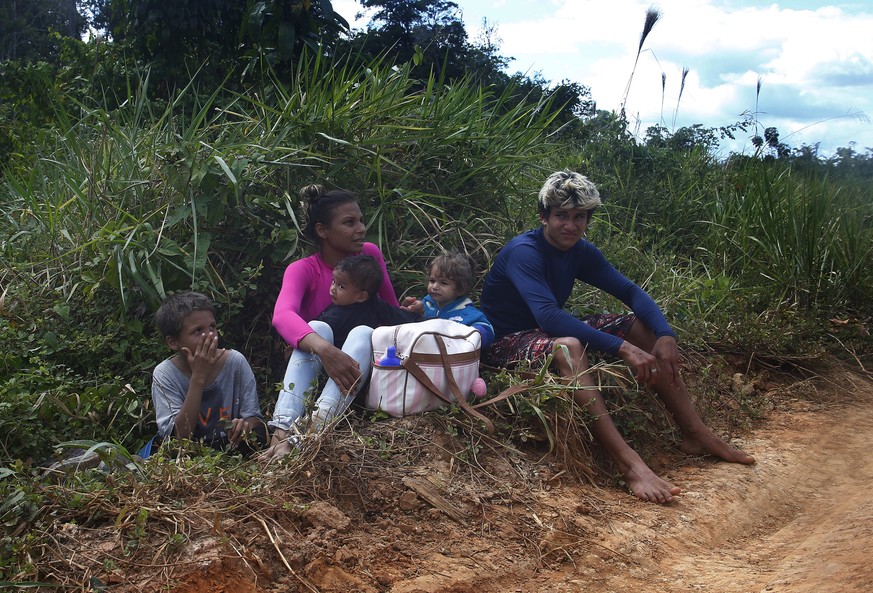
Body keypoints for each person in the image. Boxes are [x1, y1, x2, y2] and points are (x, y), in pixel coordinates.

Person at [479, 170, 755, 504]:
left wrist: (664, 335)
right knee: (569, 347)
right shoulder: (525, 251)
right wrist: (621, 348)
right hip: (504, 341)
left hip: (541, 333)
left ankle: (694, 432)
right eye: (561, 216)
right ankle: (630, 465)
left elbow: (628, 290)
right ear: (544, 217)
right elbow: (549, 317)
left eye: (579, 217)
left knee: (638, 325)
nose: (570, 226)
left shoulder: (580, 250)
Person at [263, 184, 401, 459]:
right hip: (314, 373)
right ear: (322, 231)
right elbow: (282, 315)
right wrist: (326, 351)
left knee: (363, 332)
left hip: (359, 371)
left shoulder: (369, 255)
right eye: (349, 223)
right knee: (317, 328)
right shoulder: (303, 269)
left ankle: (311, 434)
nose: (361, 228)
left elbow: (390, 310)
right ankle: (281, 433)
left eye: (360, 220)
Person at [151, 291, 266, 454]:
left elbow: (255, 421)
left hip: (233, 453)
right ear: (173, 342)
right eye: (198, 331)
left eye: (212, 327)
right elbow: (178, 440)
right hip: (191, 461)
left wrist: (246, 428)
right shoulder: (165, 374)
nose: (211, 336)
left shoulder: (235, 362)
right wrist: (198, 377)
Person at [316, 254, 421, 348]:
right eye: (334, 281)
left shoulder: (377, 307)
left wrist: (415, 313)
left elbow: (404, 319)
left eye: (341, 286)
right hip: (332, 361)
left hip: (363, 361)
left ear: (362, 296)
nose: (333, 289)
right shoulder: (330, 315)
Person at [403, 251, 495, 347]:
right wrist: (412, 313)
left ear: (460, 289)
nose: (434, 286)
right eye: (432, 280)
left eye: (443, 283)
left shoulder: (467, 312)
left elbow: (488, 330)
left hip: (454, 358)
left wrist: (472, 335)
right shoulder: (425, 305)